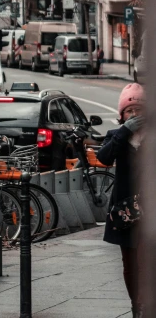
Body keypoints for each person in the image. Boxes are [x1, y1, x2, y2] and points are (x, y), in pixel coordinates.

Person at [97, 83, 144, 318]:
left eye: (139, 110)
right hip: (127, 213)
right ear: (122, 115)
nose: (135, 115)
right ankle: (137, 306)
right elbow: (103, 157)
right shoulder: (117, 136)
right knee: (131, 265)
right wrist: (125, 131)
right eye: (130, 111)